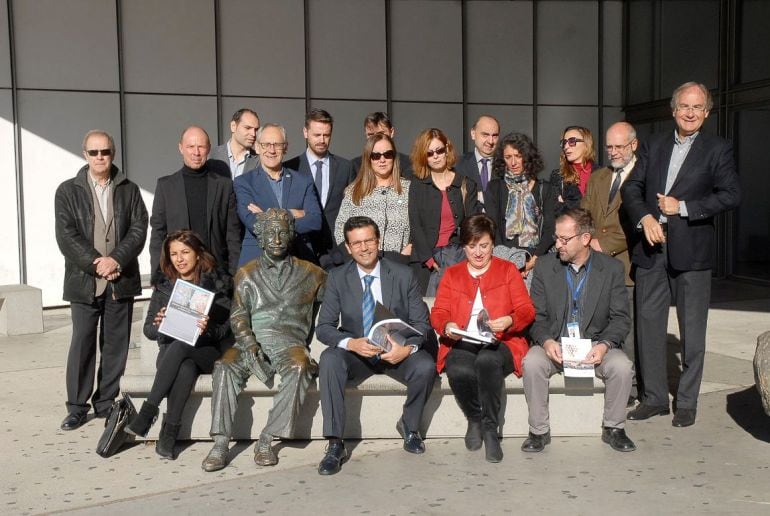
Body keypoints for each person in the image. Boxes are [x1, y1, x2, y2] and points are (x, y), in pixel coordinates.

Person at [622, 81, 741, 427]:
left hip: (693, 251)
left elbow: (731, 195)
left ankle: (686, 402)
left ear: (707, 113)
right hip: (651, 248)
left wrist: (684, 207)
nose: (690, 113)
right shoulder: (654, 144)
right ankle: (655, 398)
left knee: (692, 331)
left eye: (698, 108)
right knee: (648, 325)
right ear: (673, 110)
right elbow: (633, 187)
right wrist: (645, 218)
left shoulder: (718, 149)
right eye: (684, 107)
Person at [201, 209, 327, 471]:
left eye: (283, 232)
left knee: (300, 367)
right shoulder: (246, 273)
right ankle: (221, 441)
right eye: (270, 233)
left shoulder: (313, 273)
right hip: (250, 340)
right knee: (224, 367)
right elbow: (238, 316)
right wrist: (249, 344)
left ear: (292, 235)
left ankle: (268, 438)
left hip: (290, 342)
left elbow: (337, 301)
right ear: (260, 238)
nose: (277, 239)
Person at [316, 216, 436, 475]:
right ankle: (335, 443)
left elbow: (421, 323)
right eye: (356, 243)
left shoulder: (403, 274)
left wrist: (407, 349)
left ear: (378, 241)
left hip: (396, 351)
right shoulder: (337, 277)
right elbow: (324, 327)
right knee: (329, 359)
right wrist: (351, 344)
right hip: (358, 354)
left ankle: (409, 426)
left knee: (425, 365)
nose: (364, 247)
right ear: (348, 248)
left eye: (368, 240)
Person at [55, 130, 148, 430]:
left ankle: (106, 401)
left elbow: (138, 228)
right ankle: (77, 407)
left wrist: (116, 259)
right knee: (82, 343)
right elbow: (67, 235)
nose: (99, 157)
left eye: (104, 152)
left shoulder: (129, 189)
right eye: (93, 152)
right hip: (85, 281)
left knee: (115, 344)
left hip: (120, 280)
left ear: (113, 153)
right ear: (84, 154)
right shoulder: (68, 191)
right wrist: (98, 264)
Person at [522, 208, 635, 453]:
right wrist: (547, 341)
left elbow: (620, 319)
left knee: (622, 366)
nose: (558, 244)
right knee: (532, 362)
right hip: (557, 345)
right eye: (556, 238)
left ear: (585, 239)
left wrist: (604, 345)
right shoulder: (544, 268)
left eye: (564, 239)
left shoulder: (612, 269)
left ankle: (614, 428)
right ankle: (538, 431)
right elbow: (536, 316)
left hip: (595, 345)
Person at [430, 214, 535, 462]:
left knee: (487, 362)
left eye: (484, 246)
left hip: (503, 341)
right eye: (471, 246)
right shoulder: (453, 274)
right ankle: (474, 418)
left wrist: (510, 320)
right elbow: (439, 312)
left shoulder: (507, 270)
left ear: (492, 244)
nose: (478, 253)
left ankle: (490, 428)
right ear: (463, 246)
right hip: (464, 339)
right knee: (457, 367)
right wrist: (447, 325)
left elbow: (526, 310)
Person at [125, 231, 233, 459]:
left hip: (205, 350)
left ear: (197, 254)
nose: (179, 259)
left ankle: (148, 411)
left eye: (185, 252)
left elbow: (226, 328)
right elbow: (149, 331)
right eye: (173, 254)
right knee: (184, 366)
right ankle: (169, 434)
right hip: (170, 354)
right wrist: (160, 323)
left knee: (183, 347)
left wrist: (208, 327)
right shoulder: (164, 285)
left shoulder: (217, 282)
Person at [581, 121, 639, 403]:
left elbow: (639, 223)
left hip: (626, 267)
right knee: (601, 325)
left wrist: (603, 244)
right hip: (595, 265)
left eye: (619, 146)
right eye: (610, 147)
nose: (614, 152)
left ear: (633, 145)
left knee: (626, 330)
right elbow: (585, 215)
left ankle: (630, 389)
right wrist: (588, 240)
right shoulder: (599, 177)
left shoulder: (644, 176)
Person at [149, 126, 242, 279]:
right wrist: (157, 275)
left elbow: (232, 235)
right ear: (181, 148)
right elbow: (158, 234)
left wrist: (234, 275)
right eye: (190, 146)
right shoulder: (166, 186)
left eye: (201, 147)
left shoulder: (224, 186)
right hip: (178, 274)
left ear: (209, 148)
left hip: (216, 274)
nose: (196, 152)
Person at [233, 123, 322, 265]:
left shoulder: (303, 181)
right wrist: (294, 213)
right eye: (266, 144)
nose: (272, 150)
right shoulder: (244, 182)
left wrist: (269, 214)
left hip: (298, 259)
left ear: (285, 148)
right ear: (257, 147)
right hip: (257, 262)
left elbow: (315, 221)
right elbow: (253, 223)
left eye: (277, 145)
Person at [409, 128, 481, 295]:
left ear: (447, 150)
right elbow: (415, 223)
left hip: (458, 256)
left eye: (439, 150)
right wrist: (428, 259)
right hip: (426, 261)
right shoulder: (418, 185)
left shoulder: (465, 183)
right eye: (429, 153)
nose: (435, 156)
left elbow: (471, 223)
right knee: (427, 310)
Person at [284, 109, 357, 263]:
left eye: (326, 135)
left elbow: (353, 209)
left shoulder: (345, 167)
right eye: (317, 135)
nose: (322, 140)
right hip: (301, 249)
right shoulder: (290, 168)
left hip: (338, 252)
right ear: (305, 132)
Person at [485, 132, 556, 282]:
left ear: (528, 157)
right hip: (504, 260)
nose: (513, 162)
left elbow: (551, 228)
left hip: (537, 260)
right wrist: (510, 263)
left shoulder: (546, 189)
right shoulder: (495, 188)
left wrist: (532, 261)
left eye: (518, 156)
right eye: (508, 157)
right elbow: (493, 227)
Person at [333, 133, 412, 263]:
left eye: (387, 154)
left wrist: (409, 250)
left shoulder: (409, 189)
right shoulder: (354, 191)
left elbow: (420, 226)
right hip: (363, 264)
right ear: (368, 159)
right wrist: (351, 256)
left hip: (400, 263)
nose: (382, 160)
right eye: (376, 156)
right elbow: (340, 228)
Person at [350, 112, 413, 179]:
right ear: (365, 134)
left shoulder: (407, 163)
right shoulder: (355, 165)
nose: (376, 138)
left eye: (381, 134)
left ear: (391, 132)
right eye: (371, 135)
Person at [551, 126, 596, 212]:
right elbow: (556, 210)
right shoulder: (558, 176)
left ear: (586, 144)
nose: (566, 146)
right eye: (564, 143)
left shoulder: (603, 173)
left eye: (572, 141)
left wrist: (566, 205)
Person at [454, 115, 500, 197]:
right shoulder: (458, 165)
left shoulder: (506, 165)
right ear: (473, 134)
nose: (490, 141)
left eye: (494, 136)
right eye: (485, 135)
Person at [208, 108, 260, 179]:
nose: (253, 134)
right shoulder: (212, 155)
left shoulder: (259, 160)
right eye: (247, 128)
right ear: (233, 126)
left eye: (256, 129)